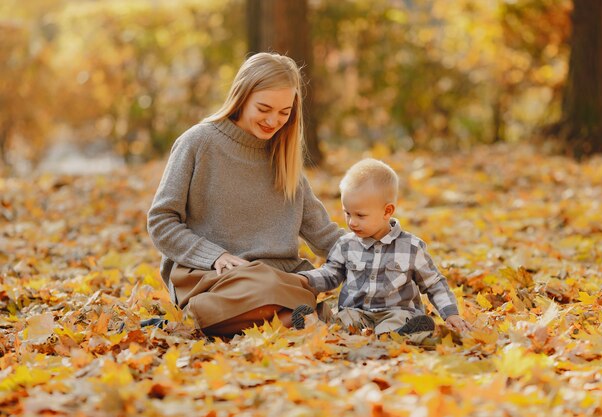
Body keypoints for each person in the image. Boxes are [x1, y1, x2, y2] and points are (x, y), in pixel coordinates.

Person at [147, 52, 343, 337]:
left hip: (279, 280)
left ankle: (296, 319)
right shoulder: (198, 143)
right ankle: (313, 316)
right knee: (264, 285)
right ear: (242, 96)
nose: (273, 120)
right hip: (212, 277)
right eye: (264, 108)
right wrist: (215, 256)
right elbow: (161, 221)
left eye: (284, 112)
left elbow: (323, 233)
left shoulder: (284, 158)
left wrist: (378, 253)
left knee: (287, 282)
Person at [292, 158, 471, 337]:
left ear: (387, 211)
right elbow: (330, 273)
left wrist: (451, 313)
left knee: (397, 324)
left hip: (396, 312)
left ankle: (407, 333)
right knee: (344, 321)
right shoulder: (346, 245)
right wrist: (305, 279)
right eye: (347, 213)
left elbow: (433, 283)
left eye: (360, 215)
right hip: (357, 313)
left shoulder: (410, 247)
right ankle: (313, 323)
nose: (352, 222)